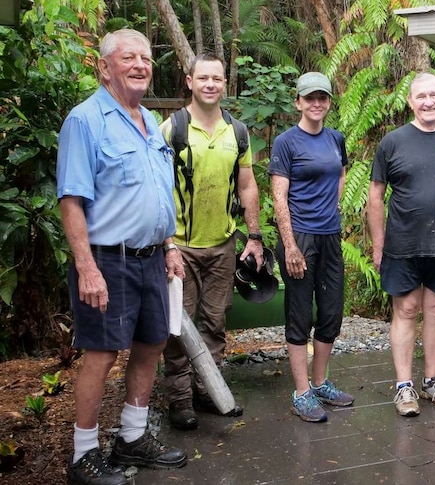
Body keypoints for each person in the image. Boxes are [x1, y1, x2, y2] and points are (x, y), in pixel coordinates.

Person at [57, 29, 188, 485]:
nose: (139, 65)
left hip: (152, 258)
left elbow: (159, 194)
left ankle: (132, 437)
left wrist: (170, 246)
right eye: (128, 57)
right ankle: (83, 455)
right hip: (106, 259)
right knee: (102, 353)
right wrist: (86, 266)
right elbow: (71, 199)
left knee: (151, 343)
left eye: (146, 58)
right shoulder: (85, 120)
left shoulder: (150, 121)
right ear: (105, 67)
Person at [159, 53, 261, 430]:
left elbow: (248, 185)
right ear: (189, 81)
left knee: (214, 323)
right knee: (177, 327)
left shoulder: (238, 132)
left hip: (222, 246)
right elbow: (157, 188)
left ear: (224, 84)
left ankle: (208, 390)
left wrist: (254, 236)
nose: (210, 84)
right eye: (203, 78)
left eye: (217, 78)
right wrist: (166, 242)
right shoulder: (171, 129)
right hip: (180, 247)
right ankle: (180, 400)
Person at [368, 73, 435, 417]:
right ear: (410, 102)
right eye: (420, 96)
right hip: (403, 243)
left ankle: (432, 381)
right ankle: (403, 386)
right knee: (406, 311)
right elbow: (376, 196)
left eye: (434, 95)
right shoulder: (393, 142)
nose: (428, 102)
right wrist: (378, 245)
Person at [269, 72, 354, 423]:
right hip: (299, 236)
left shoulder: (336, 138)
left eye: (322, 98)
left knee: (332, 311)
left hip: (330, 234)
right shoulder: (287, 142)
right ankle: (301, 392)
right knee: (300, 313)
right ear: (298, 102)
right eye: (309, 98)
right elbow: (278, 195)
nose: (316, 103)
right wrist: (290, 246)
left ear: (329, 102)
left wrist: (334, 208)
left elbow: (341, 173)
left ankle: (320, 383)